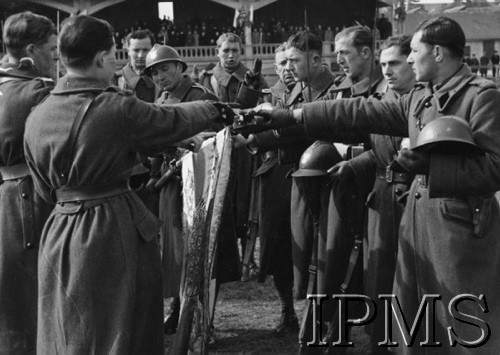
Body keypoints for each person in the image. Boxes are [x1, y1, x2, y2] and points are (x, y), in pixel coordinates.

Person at [255, 16, 500, 353]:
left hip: (459, 235)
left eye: (415, 52)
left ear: (439, 53)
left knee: (464, 325)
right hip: (417, 223)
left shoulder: (481, 97)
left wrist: (433, 162)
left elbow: (494, 168)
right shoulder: (420, 97)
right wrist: (295, 116)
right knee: (417, 323)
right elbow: (361, 110)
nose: (411, 60)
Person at [23, 15, 235, 354]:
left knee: (69, 326)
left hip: (60, 230)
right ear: (101, 58)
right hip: (110, 227)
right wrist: (214, 108)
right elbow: (170, 119)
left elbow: (42, 188)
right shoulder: (114, 106)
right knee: (121, 327)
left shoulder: (39, 113)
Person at [143, 44, 217, 335]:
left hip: (199, 179)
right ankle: (177, 309)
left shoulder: (200, 95)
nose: (159, 77)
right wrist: (153, 171)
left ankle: (203, 316)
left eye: (164, 69)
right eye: (154, 72)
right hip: (170, 181)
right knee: (174, 248)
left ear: (179, 67)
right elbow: (155, 139)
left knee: (200, 246)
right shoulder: (160, 99)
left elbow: (216, 137)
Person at [350, 34, 416, 355]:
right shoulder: (382, 96)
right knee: (378, 279)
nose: (387, 70)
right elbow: (378, 150)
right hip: (381, 196)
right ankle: (380, 344)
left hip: (412, 200)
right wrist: (351, 166)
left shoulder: (423, 101)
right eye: (384, 64)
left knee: (410, 283)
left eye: (395, 63)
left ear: (413, 62)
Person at [0, 11, 57, 355]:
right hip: (28, 200)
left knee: (10, 296)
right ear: (32, 50)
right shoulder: (37, 91)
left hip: (5, 200)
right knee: (34, 293)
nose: (55, 57)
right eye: (52, 50)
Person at [242, 41, 300, 335]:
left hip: (304, 173)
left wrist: (264, 138)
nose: (287, 70)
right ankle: (287, 309)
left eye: (292, 63)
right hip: (274, 177)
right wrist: (248, 91)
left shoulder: (312, 94)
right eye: (281, 64)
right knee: (277, 250)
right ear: (275, 67)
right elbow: (246, 124)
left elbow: (296, 129)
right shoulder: (268, 95)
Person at [116, 29, 157, 102]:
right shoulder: (116, 81)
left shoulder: (161, 79)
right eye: (136, 50)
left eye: (145, 50)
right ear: (128, 51)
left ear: (152, 50)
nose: (140, 55)